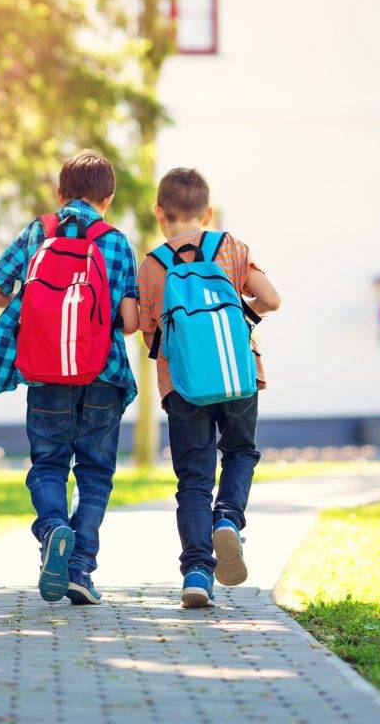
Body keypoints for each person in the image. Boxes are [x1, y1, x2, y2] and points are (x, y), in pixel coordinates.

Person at [0, 150, 139, 605]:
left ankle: (52, 529)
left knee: (48, 464)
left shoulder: (36, 231)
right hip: (104, 371)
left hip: (46, 372)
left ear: (59, 193)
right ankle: (81, 568)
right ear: (109, 197)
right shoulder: (116, 241)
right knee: (96, 472)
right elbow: (132, 319)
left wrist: (38, 310)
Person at [137, 167, 281, 608]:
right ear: (209, 211)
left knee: (194, 478)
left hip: (183, 384)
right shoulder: (231, 248)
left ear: (160, 213)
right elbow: (271, 299)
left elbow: (148, 335)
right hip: (239, 376)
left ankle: (197, 572)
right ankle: (229, 519)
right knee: (239, 452)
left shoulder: (153, 265)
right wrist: (242, 315)